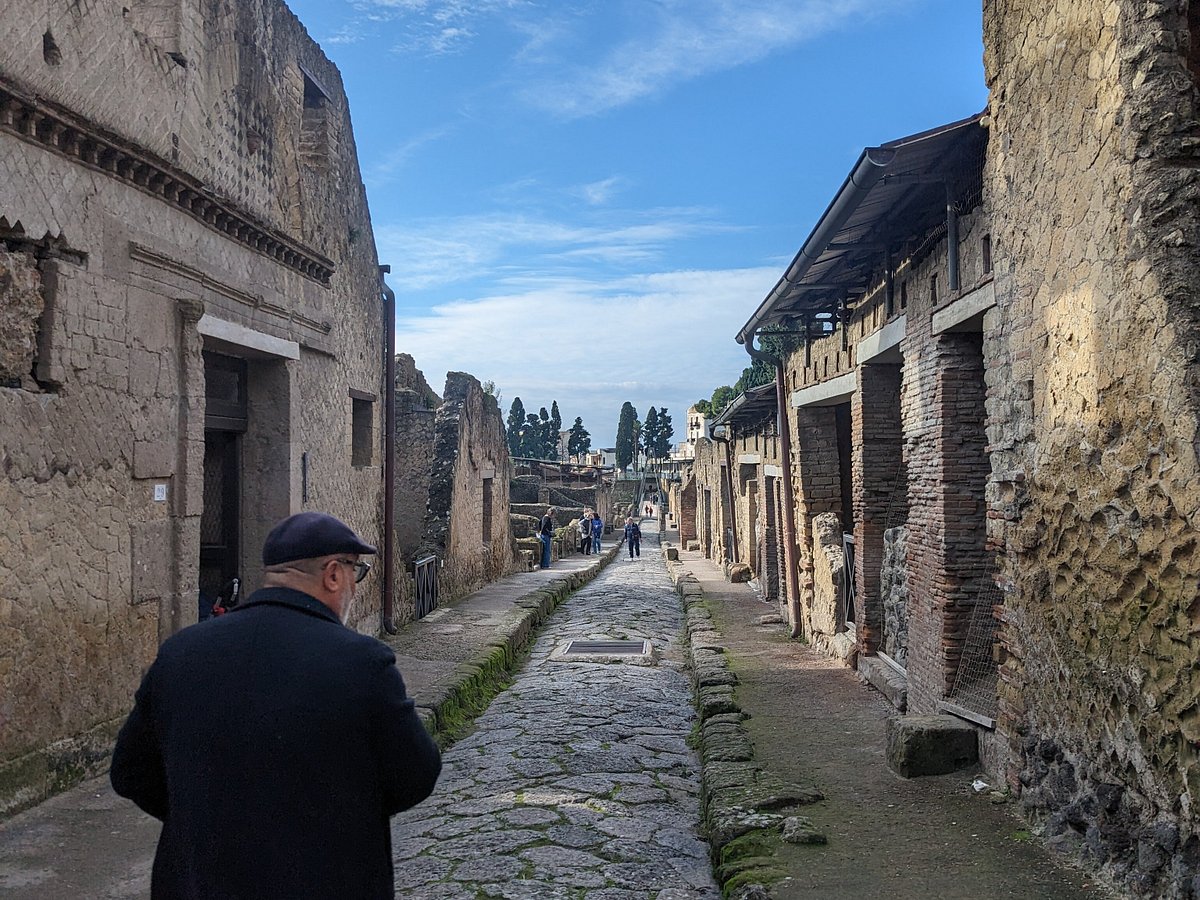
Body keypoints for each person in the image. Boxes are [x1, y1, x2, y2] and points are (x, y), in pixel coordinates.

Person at [110, 511, 442, 899]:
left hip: (199, 882)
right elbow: (416, 775)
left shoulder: (182, 652)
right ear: (333, 574)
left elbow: (130, 771)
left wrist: (207, 815)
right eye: (357, 572)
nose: (355, 585)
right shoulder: (361, 662)